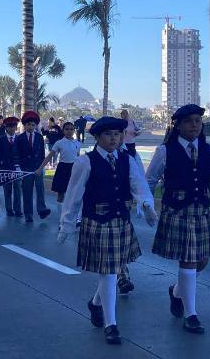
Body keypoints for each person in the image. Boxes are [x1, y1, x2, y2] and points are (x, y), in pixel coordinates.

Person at [57, 116, 158, 345]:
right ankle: (111, 324)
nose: (114, 139)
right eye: (108, 134)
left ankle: (95, 304)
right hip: (97, 222)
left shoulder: (127, 159)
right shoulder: (86, 162)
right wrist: (67, 223)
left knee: (110, 272)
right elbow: (73, 194)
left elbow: (139, 185)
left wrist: (147, 204)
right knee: (109, 273)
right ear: (97, 137)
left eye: (117, 134)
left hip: (120, 221)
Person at [146, 104, 210, 334]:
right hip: (177, 210)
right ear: (178, 125)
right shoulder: (165, 151)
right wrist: (146, 204)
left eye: (198, 121)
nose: (194, 125)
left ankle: (176, 291)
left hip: (201, 210)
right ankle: (191, 314)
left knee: (203, 259)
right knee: (188, 260)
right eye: (189, 121)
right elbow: (150, 180)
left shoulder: (209, 150)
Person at [115, 139, 147, 296]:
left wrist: (143, 202)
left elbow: (140, 178)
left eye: (118, 133)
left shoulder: (131, 155)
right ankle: (122, 277)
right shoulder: (95, 156)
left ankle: (121, 276)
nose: (114, 137)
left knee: (120, 243)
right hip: (103, 209)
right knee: (113, 245)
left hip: (124, 205)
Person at [37, 121, 80, 224]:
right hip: (63, 168)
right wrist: (40, 168)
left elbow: (78, 157)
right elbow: (49, 156)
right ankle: (62, 218)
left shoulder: (78, 143)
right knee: (61, 194)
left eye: (71, 129)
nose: (69, 131)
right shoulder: (59, 143)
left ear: (74, 130)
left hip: (74, 169)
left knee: (75, 194)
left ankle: (74, 218)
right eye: (67, 129)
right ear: (63, 130)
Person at [15, 111, 51, 223]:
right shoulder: (20, 138)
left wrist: (42, 167)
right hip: (26, 169)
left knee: (40, 189)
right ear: (24, 125)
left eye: (33, 125)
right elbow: (16, 153)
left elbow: (42, 153)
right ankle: (28, 214)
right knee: (27, 192)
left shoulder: (39, 137)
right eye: (28, 124)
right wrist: (18, 167)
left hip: (38, 167)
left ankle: (42, 210)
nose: (31, 127)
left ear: (35, 126)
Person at [0, 117, 22, 217]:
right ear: (6, 128)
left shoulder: (19, 139)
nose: (11, 129)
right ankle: (9, 210)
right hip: (5, 168)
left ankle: (18, 210)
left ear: (16, 127)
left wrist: (20, 167)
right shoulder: (1, 139)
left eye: (13, 126)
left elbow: (22, 155)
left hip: (17, 168)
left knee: (17, 189)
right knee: (7, 190)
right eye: (9, 126)